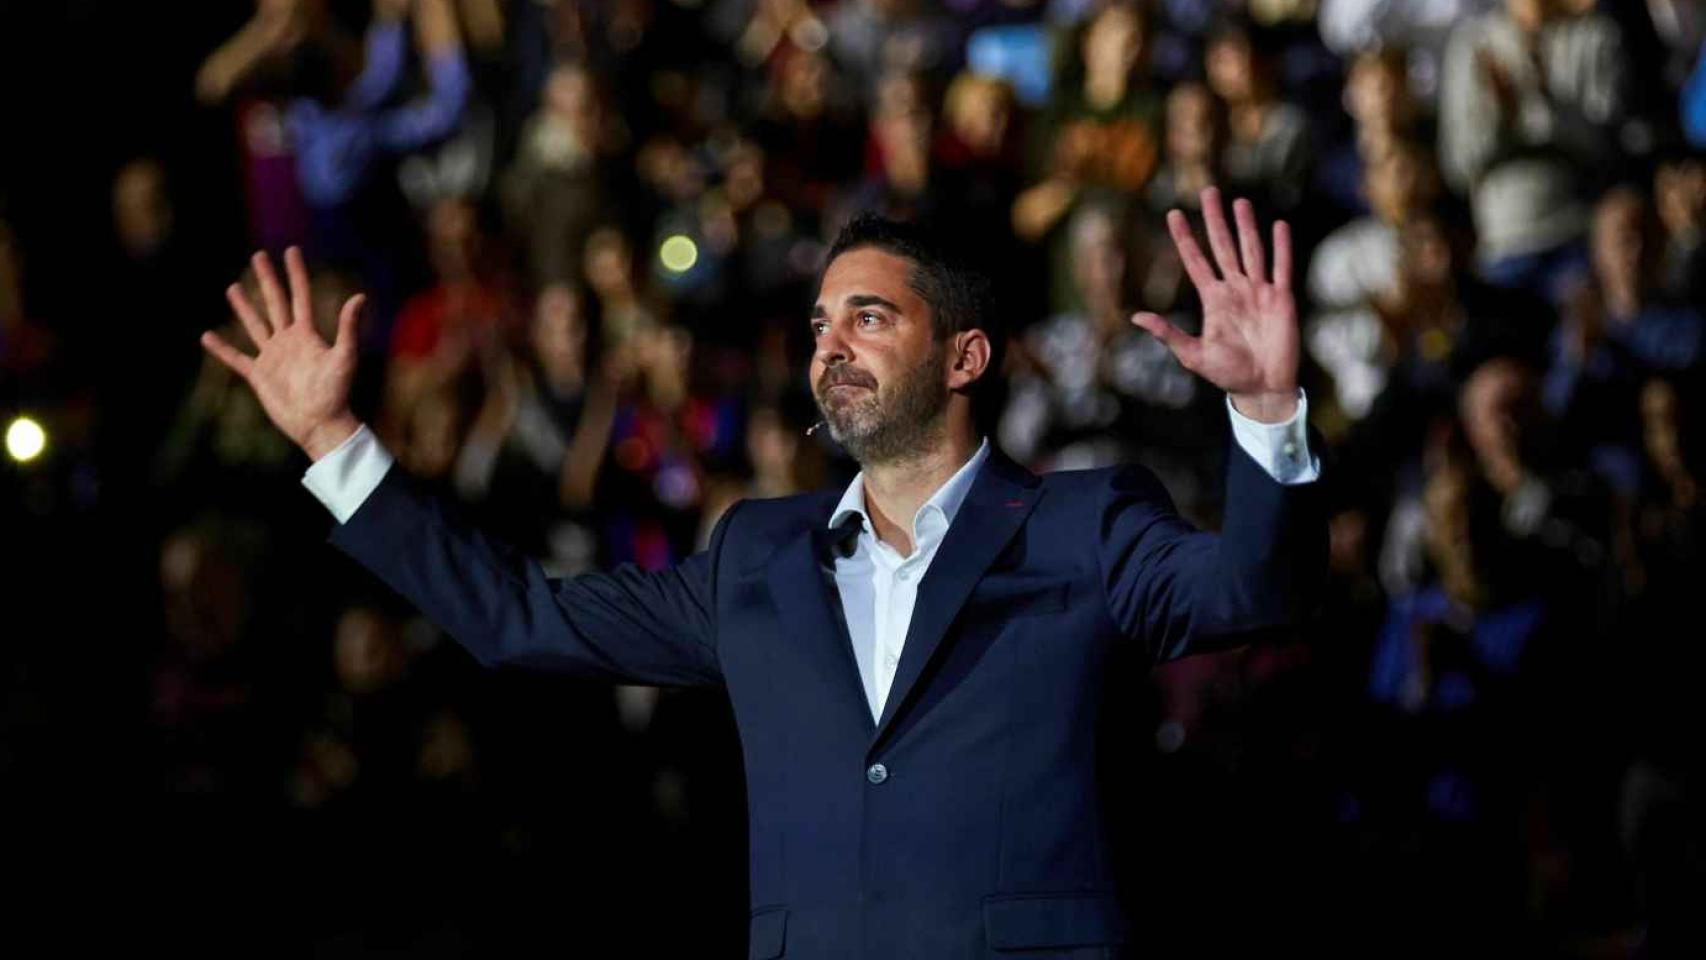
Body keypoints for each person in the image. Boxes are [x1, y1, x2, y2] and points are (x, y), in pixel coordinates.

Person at [198, 187, 1328, 958]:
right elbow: (515, 619)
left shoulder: (1083, 523)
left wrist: (1265, 410)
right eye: (819, 322)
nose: (827, 343)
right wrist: (340, 449)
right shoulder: (755, 558)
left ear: (965, 356)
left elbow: (1249, 593)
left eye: (869, 317)